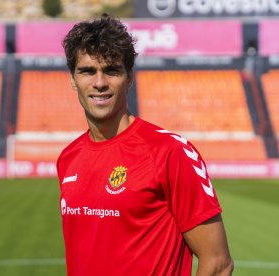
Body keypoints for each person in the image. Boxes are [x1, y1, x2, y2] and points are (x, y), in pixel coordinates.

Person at [56, 14, 234, 276]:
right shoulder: (68, 157)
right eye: (87, 71)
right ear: (73, 79)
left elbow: (218, 263)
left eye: (112, 70)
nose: (99, 82)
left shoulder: (170, 152)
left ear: (129, 77)